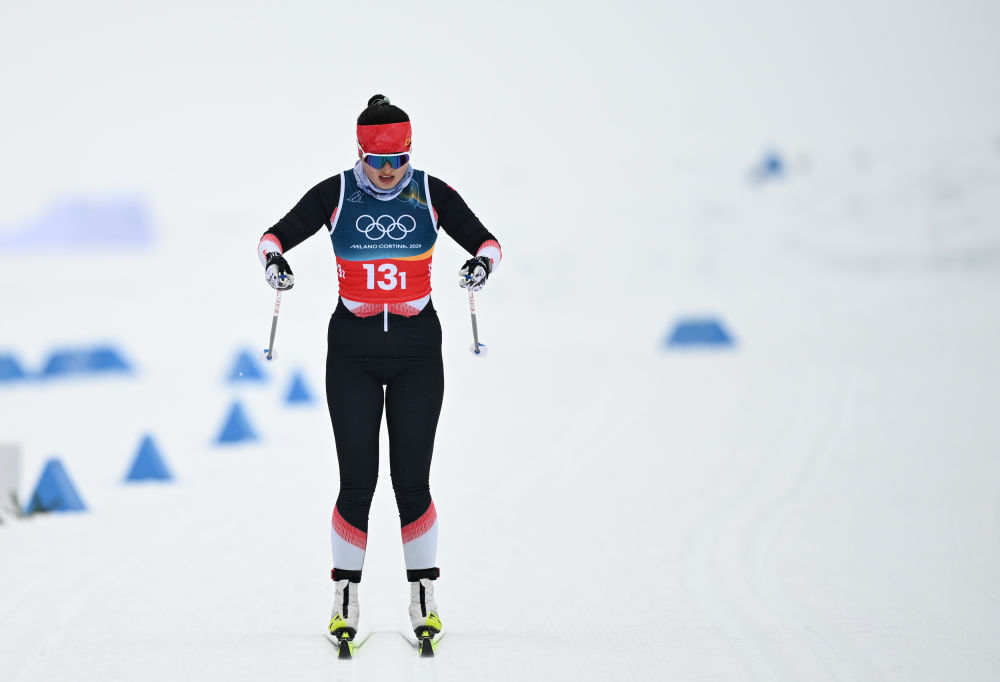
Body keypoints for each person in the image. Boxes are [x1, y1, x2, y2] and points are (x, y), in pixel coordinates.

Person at [256, 94, 502, 649]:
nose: (388, 171)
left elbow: (488, 243)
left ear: (410, 152)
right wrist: (275, 262)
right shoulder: (336, 192)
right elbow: (273, 237)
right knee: (356, 482)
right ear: (360, 153)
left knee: (411, 482)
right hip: (353, 353)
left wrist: (480, 265)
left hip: (418, 352)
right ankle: (345, 596)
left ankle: (423, 597)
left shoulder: (431, 193)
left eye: (398, 160)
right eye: (377, 160)